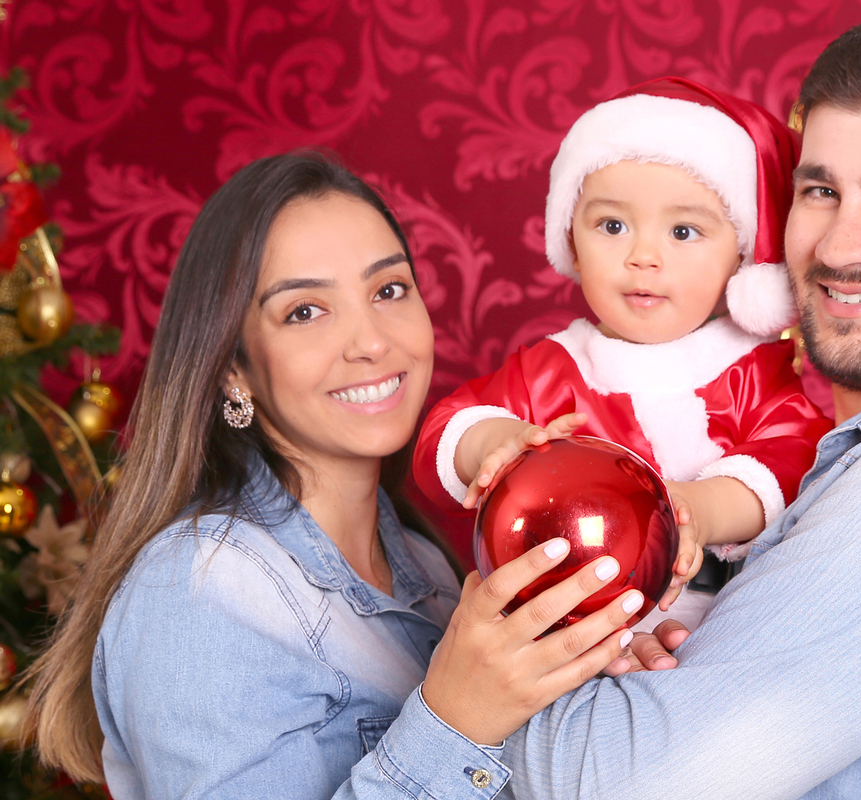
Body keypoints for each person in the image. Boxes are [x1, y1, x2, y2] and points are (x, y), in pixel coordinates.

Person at [421, 10, 861, 799]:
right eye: (821, 191)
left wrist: (496, 676)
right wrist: (632, 664)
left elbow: (611, 782)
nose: (840, 246)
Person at [24, 153, 667, 799]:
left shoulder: (427, 566)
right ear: (232, 369)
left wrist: (586, 680)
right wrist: (457, 720)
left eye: (388, 290)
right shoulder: (200, 585)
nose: (371, 342)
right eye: (305, 310)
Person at [414, 77, 832, 631]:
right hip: (565, 625)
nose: (643, 256)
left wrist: (702, 509)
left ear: (741, 255)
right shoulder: (553, 370)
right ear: (572, 241)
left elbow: (797, 456)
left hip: (725, 623)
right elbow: (440, 433)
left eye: (683, 231)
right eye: (612, 226)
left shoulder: (748, 371)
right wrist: (490, 443)